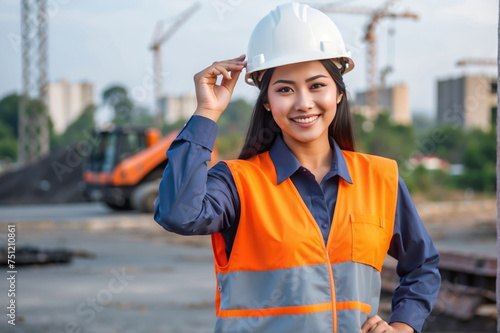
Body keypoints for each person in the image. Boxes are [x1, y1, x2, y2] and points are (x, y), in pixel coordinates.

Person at [154, 3, 440, 333]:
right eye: (285, 89)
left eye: (317, 85)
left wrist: (404, 326)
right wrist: (207, 112)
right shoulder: (238, 183)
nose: (303, 102)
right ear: (266, 102)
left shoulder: (379, 179)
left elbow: (422, 265)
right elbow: (177, 214)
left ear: (339, 95)